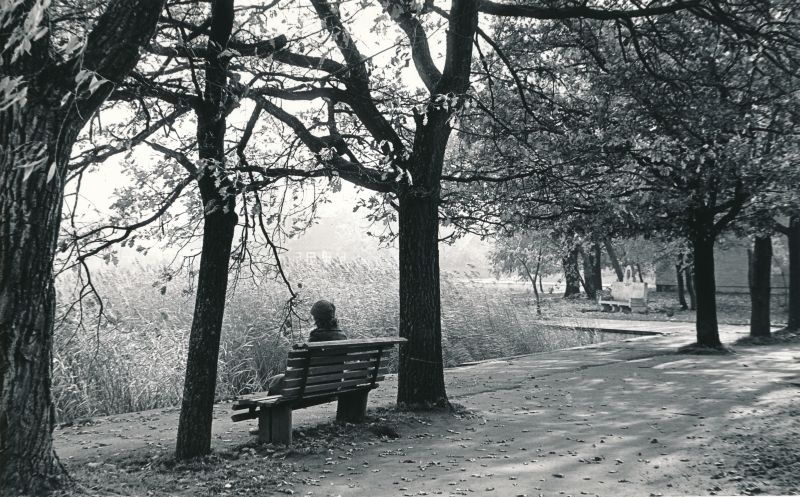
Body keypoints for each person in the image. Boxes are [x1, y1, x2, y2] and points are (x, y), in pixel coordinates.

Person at [266, 300, 347, 395]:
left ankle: (267, 410)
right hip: (333, 385)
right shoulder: (342, 336)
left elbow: (303, 364)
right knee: (278, 379)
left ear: (317, 317)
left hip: (311, 386)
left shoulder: (316, 335)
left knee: (277, 381)